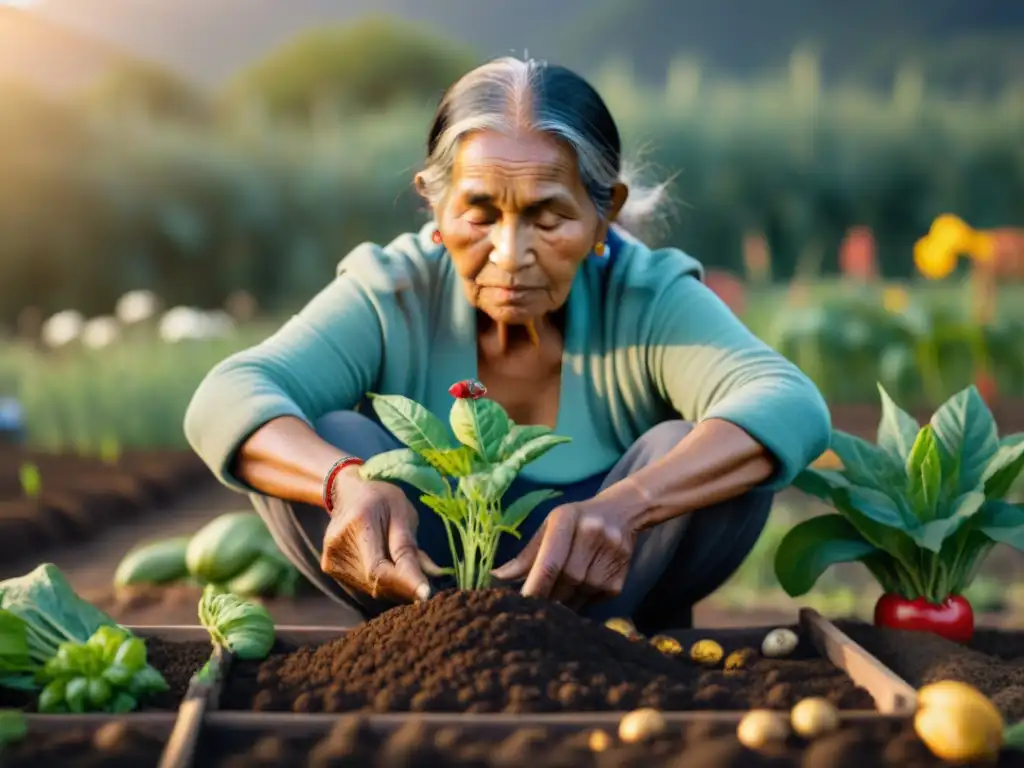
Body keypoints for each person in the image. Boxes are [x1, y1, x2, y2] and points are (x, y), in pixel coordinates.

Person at [184, 56, 830, 634]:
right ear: (434, 208)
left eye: (549, 218)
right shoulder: (393, 292)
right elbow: (227, 397)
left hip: (617, 591)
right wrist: (340, 483)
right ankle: (415, 638)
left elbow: (788, 403)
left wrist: (628, 506)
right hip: (420, 592)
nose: (510, 254)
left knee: (703, 449)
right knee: (320, 440)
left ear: (605, 214)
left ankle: (618, 642)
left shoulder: (644, 294)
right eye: (480, 214)